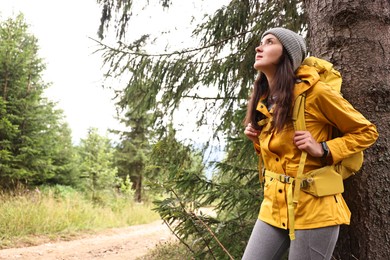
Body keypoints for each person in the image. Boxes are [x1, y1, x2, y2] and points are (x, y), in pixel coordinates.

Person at [242, 27, 378, 260]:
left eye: (269, 41)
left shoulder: (315, 93)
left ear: (287, 53)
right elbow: (283, 157)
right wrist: (258, 142)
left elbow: (366, 131)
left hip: (315, 208)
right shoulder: (265, 100)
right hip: (274, 207)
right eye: (261, 42)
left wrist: (323, 149)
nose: (259, 47)